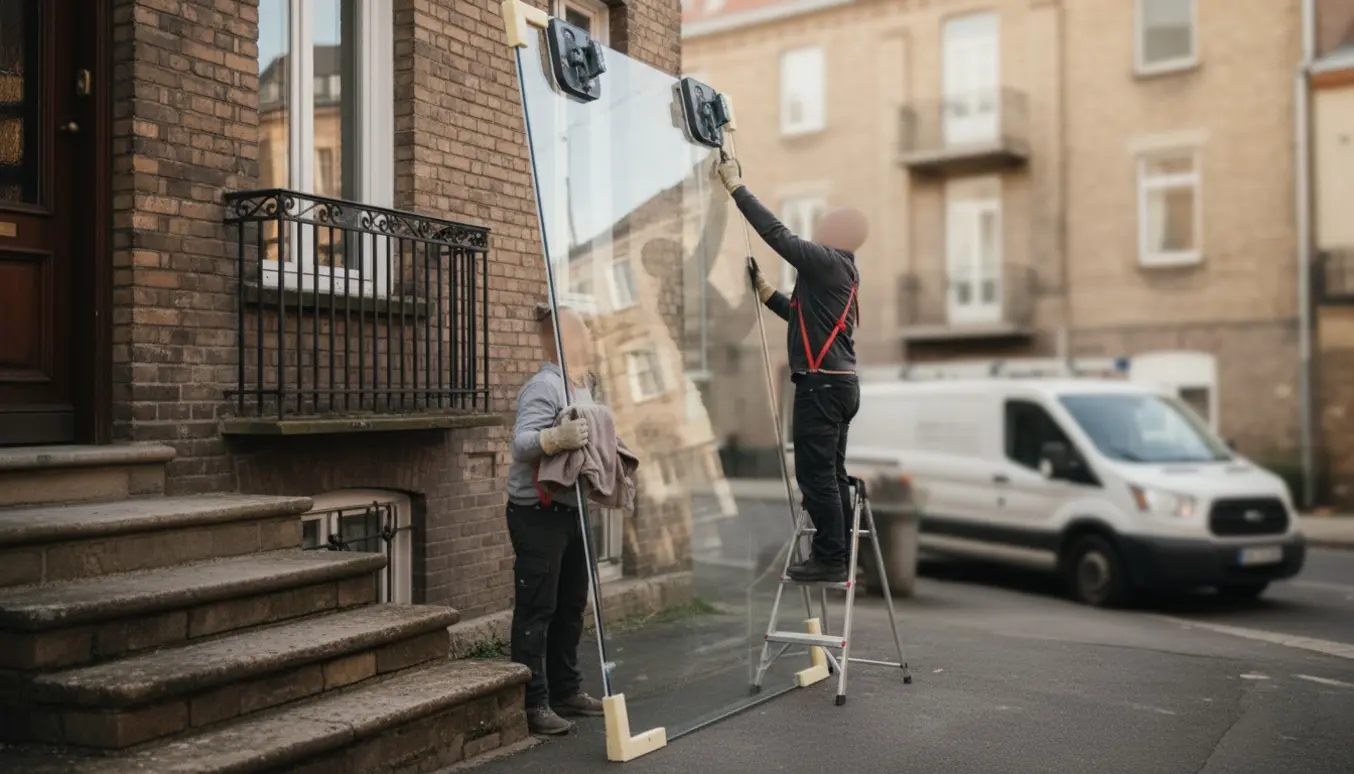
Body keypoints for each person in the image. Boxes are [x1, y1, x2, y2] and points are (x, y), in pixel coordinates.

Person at [716, 155, 869, 584]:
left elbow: (777, 235)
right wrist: (768, 294)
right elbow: (804, 318)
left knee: (814, 474)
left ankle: (830, 557)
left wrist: (736, 188)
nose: (819, 229)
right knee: (832, 474)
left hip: (821, 389)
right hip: (840, 385)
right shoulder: (841, 272)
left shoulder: (826, 261)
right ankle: (836, 553)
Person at [506, 303, 605, 735]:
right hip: (537, 512)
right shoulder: (544, 387)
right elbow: (521, 444)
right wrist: (554, 438)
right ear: (562, 340)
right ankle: (533, 703)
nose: (590, 336)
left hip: (573, 511)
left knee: (570, 606)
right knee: (537, 609)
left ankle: (566, 689)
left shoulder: (585, 385)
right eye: (582, 330)